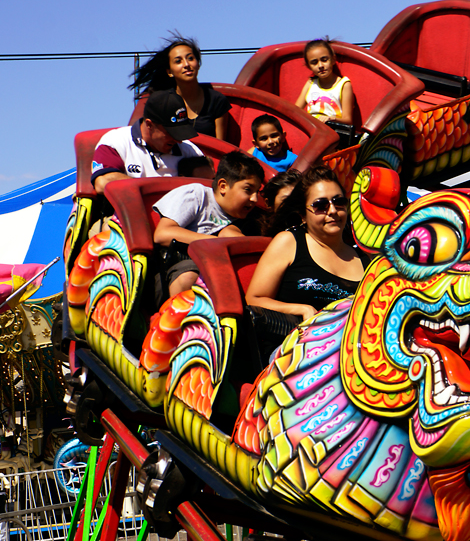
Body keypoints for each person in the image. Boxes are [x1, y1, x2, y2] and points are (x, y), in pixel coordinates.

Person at [245, 165, 367, 357]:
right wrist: (302, 310)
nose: (333, 210)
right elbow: (254, 299)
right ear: (303, 214)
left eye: (339, 202)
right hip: (293, 351)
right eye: (320, 205)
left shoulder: (363, 258)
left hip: (348, 354)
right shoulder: (289, 242)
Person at [152, 151, 265, 298]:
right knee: (190, 275)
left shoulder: (248, 218)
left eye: (257, 192)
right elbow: (162, 234)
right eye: (248, 190)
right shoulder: (197, 195)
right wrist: (216, 243)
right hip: (173, 268)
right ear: (223, 186)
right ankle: (176, 318)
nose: (254, 199)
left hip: (218, 270)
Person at [91, 90, 211, 195]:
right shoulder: (115, 141)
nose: (179, 140)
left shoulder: (191, 150)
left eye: (181, 132)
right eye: (172, 132)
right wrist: (154, 191)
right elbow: (102, 182)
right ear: (149, 124)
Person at [129, 35, 231, 141]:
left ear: (198, 64)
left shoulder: (216, 100)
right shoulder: (163, 102)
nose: (186, 64)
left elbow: (221, 146)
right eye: (178, 61)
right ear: (169, 72)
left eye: (190, 58)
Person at [295, 40, 355, 126]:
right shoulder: (310, 83)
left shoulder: (344, 85)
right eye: (314, 63)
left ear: (333, 60)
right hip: (312, 129)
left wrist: (330, 119)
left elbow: (348, 120)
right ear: (309, 66)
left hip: (332, 130)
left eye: (324, 60)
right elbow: (295, 111)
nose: (320, 66)